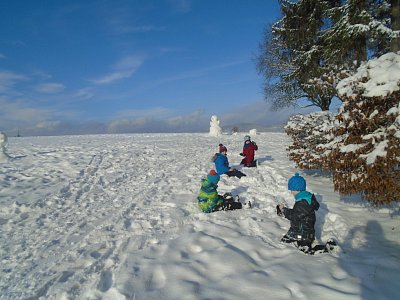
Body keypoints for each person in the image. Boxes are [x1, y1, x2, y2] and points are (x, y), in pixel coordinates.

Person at [277, 173, 320, 254]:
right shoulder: (303, 199)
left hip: (304, 234)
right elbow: (297, 213)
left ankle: (323, 249)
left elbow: (294, 216)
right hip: (296, 230)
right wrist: (284, 210)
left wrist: (284, 210)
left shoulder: (303, 202)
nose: (291, 192)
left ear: (297, 190)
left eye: (292, 190)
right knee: (284, 241)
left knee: (305, 251)